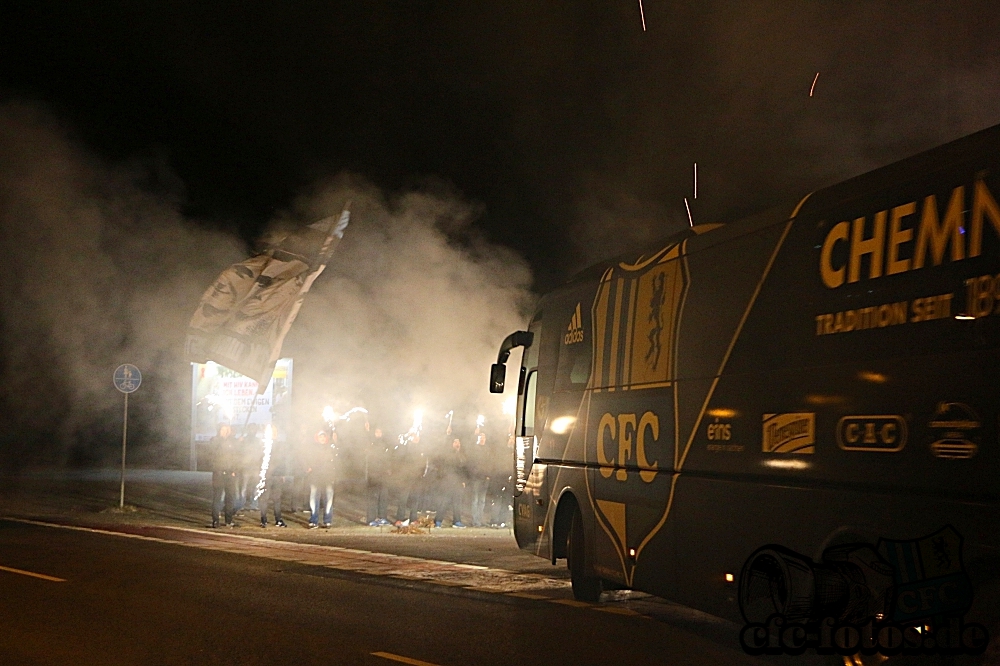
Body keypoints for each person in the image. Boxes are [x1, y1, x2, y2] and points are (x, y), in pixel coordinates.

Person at [209, 424, 239, 528]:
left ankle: (229, 520)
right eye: (223, 429)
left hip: (230, 474)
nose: (225, 432)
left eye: (227, 430)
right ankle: (215, 520)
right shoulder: (215, 440)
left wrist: (234, 470)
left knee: (230, 497)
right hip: (219, 473)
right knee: (217, 497)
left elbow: (236, 456)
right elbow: (212, 454)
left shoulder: (233, 441)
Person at [436, 437, 468, 528]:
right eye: (455, 442)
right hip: (448, 481)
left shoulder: (462, 455)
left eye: (458, 442)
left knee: (457, 503)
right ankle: (438, 520)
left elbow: (463, 468)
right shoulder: (447, 454)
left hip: (457, 482)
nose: (457, 444)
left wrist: (463, 480)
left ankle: (457, 521)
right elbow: (447, 467)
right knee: (444, 502)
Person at [308, 430, 337, 528]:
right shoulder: (312, 449)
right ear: (317, 438)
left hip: (327, 478)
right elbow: (308, 460)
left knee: (328, 499)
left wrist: (336, 441)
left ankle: (327, 520)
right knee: (314, 499)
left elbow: (335, 459)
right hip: (315, 478)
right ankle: (313, 520)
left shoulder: (330, 448)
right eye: (320, 437)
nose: (322, 439)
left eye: (324, 437)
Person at [259, 432, 288, 528]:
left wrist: (282, 474)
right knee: (268, 498)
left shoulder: (276, 445)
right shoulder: (265, 445)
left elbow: (282, 460)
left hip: (274, 475)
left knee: (274, 499)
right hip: (269, 475)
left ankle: (274, 519)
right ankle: (267, 519)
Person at [366, 427, 391, 526]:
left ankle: (382, 517)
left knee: (383, 497)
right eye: (376, 432)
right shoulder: (370, 443)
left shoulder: (385, 444)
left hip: (383, 475)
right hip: (373, 475)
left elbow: (388, 458)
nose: (378, 434)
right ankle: (371, 519)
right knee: (373, 498)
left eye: (380, 432)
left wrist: (388, 469)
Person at [467, 422, 491, 527]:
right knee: (475, 500)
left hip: (485, 478)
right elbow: (471, 461)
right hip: (476, 478)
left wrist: (488, 475)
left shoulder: (487, 449)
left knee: (482, 501)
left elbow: (490, 463)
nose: (482, 439)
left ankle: (479, 520)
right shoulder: (475, 448)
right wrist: (475, 435)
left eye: (484, 437)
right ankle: (474, 521)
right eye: (481, 437)